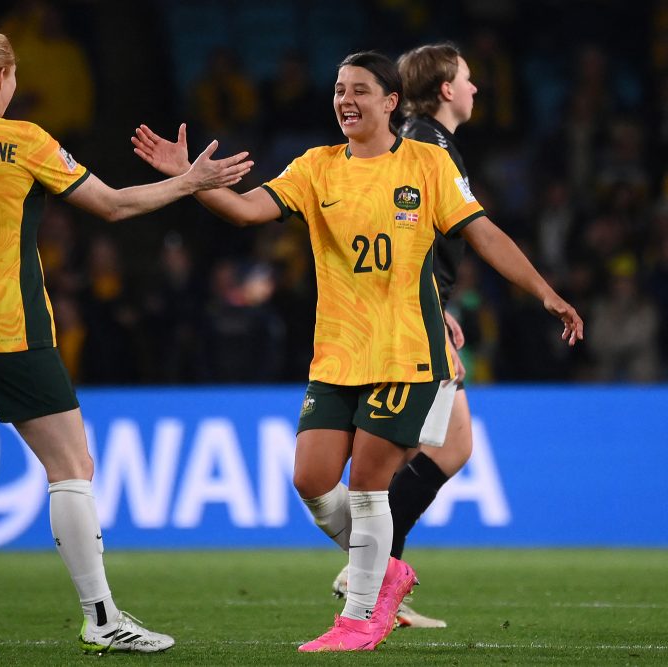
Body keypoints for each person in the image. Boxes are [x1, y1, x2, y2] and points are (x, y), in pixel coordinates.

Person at [132, 50, 583, 652]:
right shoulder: (317, 166)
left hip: (406, 350)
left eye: (361, 91)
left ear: (391, 101)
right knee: (312, 479)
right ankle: (385, 571)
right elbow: (245, 211)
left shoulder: (426, 163)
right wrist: (190, 181)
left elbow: (484, 234)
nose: (345, 100)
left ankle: (361, 619)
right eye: (340, 90)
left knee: (371, 484)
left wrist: (546, 294)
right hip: (338, 354)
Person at [0, 29, 251, 658]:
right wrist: (189, 183)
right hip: (9, 329)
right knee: (72, 468)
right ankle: (101, 616)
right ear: (1, 77)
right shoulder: (25, 141)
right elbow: (111, 206)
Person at [328, 41, 482, 629]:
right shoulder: (421, 142)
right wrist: (431, 314)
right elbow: (401, 235)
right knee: (442, 448)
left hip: (423, 312)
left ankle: (373, 570)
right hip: (402, 324)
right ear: (446, 87)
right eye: (466, 79)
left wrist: (440, 307)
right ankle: (368, 572)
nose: (473, 88)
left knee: (432, 449)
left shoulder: (431, 140)